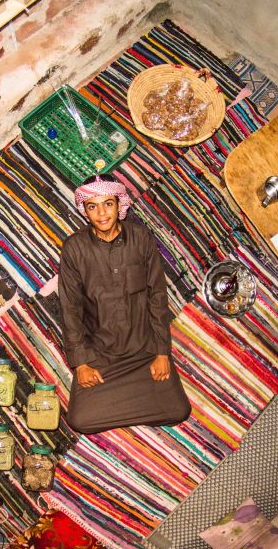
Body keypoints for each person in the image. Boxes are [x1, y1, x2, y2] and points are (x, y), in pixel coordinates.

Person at [58, 175, 191, 434]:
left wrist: (162, 353)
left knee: (179, 411)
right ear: (84, 211)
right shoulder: (74, 248)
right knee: (80, 421)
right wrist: (82, 364)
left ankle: (127, 402)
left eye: (108, 204)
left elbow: (158, 296)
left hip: (145, 351)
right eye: (92, 206)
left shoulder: (140, 238)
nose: (101, 213)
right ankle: (135, 401)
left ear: (120, 204)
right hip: (101, 358)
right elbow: (70, 308)